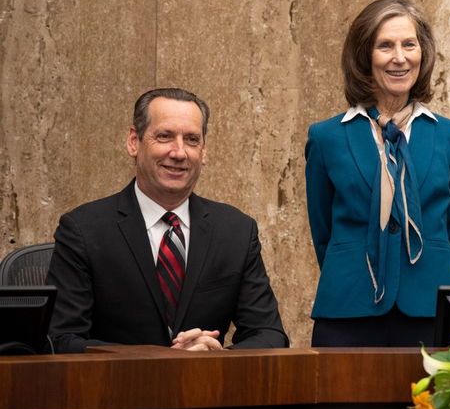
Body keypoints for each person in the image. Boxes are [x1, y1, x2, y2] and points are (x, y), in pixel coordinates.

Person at [46, 88, 288, 353]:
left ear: (204, 151)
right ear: (133, 142)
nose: (179, 152)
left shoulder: (236, 230)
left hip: (206, 389)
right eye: (165, 136)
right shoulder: (83, 229)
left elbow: (269, 334)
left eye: (192, 139)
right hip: (116, 390)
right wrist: (160, 361)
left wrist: (220, 358)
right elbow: (61, 339)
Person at [306, 0, 450, 347]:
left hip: (429, 308)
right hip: (349, 309)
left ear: (422, 53)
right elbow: (322, 230)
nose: (399, 57)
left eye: (408, 45)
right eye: (385, 46)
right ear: (364, 55)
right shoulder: (326, 137)